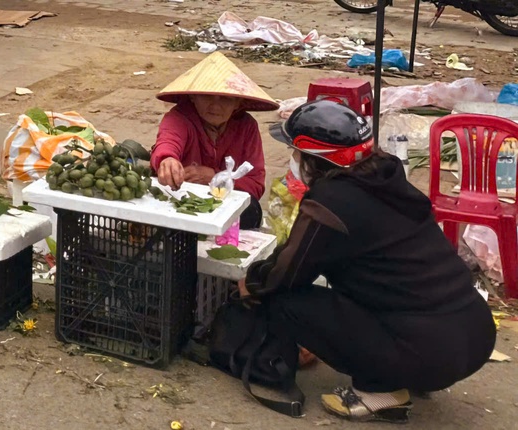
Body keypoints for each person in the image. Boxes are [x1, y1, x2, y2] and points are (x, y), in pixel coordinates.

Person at [243, 100, 496, 423]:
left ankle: (380, 391)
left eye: (296, 153)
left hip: (429, 351)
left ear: (313, 159)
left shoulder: (331, 202)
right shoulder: (386, 175)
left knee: (285, 301)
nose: (293, 161)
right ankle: (408, 371)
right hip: (474, 334)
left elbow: (287, 274)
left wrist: (252, 282)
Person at [150, 51, 279, 229]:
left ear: (238, 103)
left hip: (225, 203)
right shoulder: (179, 117)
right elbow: (168, 142)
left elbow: (255, 185)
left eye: (226, 99)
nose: (215, 105)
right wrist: (167, 160)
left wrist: (214, 177)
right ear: (193, 97)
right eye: (207, 96)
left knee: (252, 211)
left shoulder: (247, 127)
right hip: (180, 199)